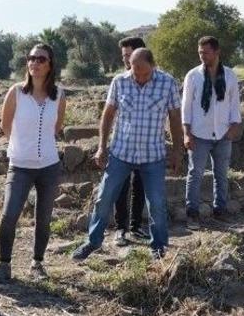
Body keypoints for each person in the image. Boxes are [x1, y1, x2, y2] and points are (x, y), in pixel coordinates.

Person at [72, 48, 184, 261]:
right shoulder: (119, 82)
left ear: (153, 66)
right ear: (129, 66)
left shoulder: (167, 83)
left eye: (144, 72)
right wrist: (102, 146)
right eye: (135, 71)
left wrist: (177, 151)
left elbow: (175, 118)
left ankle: (158, 247)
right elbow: (107, 115)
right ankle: (92, 242)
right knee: (104, 198)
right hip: (121, 152)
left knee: (157, 204)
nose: (139, 77)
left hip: (153, 155)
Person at [0, 43, 66, 284]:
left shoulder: (59, 95)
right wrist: (22, 146)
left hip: (49, 166)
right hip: (20, 165)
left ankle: (37, 263)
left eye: (41, 59)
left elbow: (57, 128)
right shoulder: (16, 92)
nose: (35, 62)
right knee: (9, 215)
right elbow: (5, 126)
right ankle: (4, 265)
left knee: (43, 218)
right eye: (31, 58)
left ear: (50, 64)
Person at [181, 36, 242, 228]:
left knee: (221, 174)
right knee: (195, 174)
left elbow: (234, 103)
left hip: (223, 133)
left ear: (217, 52)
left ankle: (220, 211)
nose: (202, 56)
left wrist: (234, 127)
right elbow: (186, 106)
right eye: (200, 52)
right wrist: (186, 132)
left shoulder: (230, 76)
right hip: (199, 133)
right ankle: (192, 214)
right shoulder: (193, 76)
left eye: (206, 52)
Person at [112, 36, 147, 245]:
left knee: (140, 186)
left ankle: (135, 227)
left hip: (145, 146)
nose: (125, 60)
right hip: (122, 145)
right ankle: (120, 229)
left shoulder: (157, 81)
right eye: (123, 56)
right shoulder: (119, 81)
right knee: (121, 187)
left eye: (128, 55)